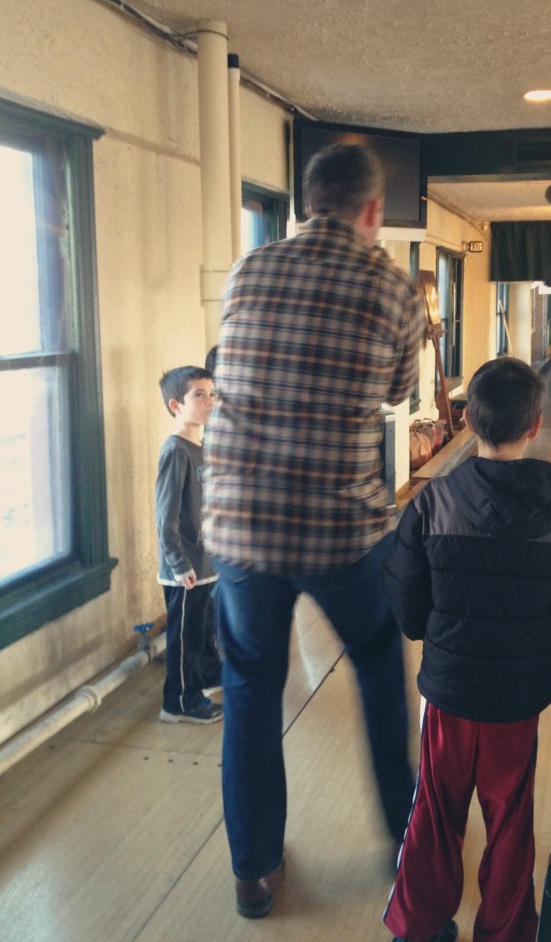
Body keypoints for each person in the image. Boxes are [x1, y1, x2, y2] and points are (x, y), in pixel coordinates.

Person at [202, 143, 426, 919]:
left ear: (304, 205)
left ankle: (254, 872)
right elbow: (398, 389)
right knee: (376, 666)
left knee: (250, 689)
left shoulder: (248, 270)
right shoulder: (393, 287)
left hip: (240, 526)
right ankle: (407, 840)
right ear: (372, 212)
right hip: (341, 530)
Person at [382, 357, 551, 942]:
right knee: (511, 819)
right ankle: (506, 931)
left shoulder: (432, 503)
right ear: (534, 425)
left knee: (435, 811)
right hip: (517, 698)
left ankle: (419, 923)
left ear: (467, 420)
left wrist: (426, 632)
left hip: (450, 694)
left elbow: (405, 600)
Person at [155, 366, 223, 724]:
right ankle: (179, 700)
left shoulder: (202, 445)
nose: (209, 401)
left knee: (205, 629)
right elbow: (165, 517)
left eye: (211, 393)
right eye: (199, 395)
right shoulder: (176, 452)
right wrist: (179, 565)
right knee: (185, 636)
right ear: (175, 405)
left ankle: (209, 676)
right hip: (186, 568)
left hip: (207, 562)